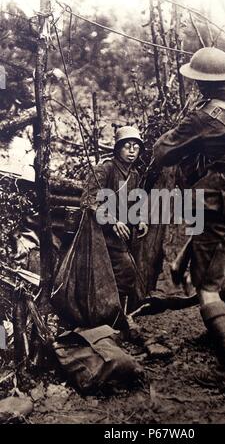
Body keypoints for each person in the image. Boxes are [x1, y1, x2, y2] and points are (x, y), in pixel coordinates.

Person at [145, 47, 225, 389]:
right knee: (223, 270)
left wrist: (190, 139)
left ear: (200, 84)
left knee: (207, 287)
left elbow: (162, 151)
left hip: (221, 206)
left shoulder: (202, 117)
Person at [81, 126, 148, 320]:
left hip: (122, 236)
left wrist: (139, 220)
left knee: (131, 272)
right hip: (100, 235)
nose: (132, 151)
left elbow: (133, 204)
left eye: (136, 147)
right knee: (126, 271)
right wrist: (113, 221)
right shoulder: (105, 169)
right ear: (117, 149)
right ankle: (111, 317)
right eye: (127, 146)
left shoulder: (134, 175)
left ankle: (118, 314)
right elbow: (89, 201)